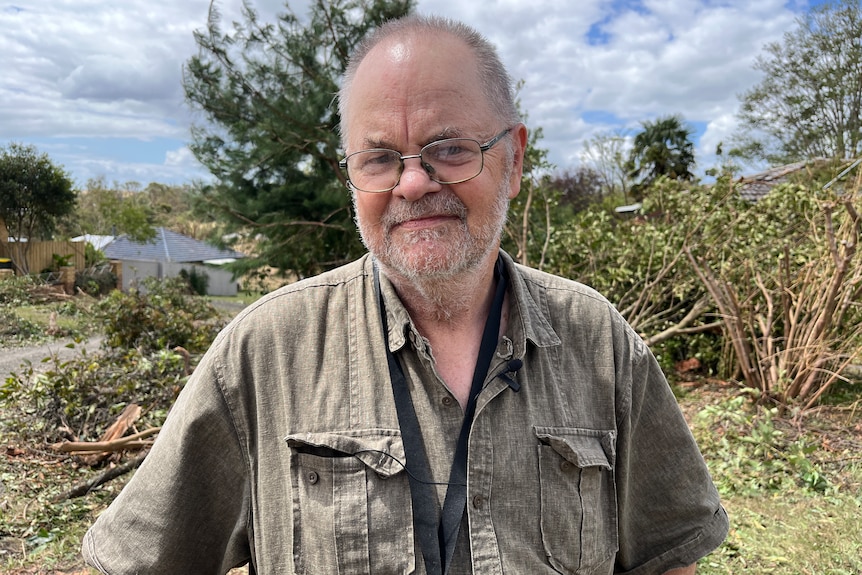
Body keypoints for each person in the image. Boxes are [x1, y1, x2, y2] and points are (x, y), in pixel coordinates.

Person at [82, 14, 728, 575]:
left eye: (449, 149)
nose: (413, 183)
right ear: (351, 175)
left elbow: (667, 549)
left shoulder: (598, 339)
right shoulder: (264, 352)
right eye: (380, 157)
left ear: (516, 159)